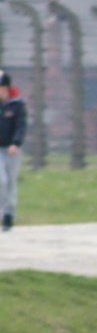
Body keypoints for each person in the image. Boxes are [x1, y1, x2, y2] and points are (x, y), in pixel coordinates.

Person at [0, 70, 25, 232]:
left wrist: (16, 143)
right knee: (1, 180)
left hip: (11, 150)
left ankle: (9, 215)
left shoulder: (17, 105)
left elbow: (21, 126)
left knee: (11, 183)